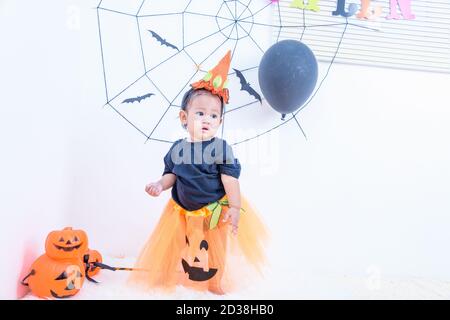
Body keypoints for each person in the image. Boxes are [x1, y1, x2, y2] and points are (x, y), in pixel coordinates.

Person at [128, 51, 268, 295]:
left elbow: (229, 179)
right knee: (179, 245)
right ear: (184, 117)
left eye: (214, 115)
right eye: (200, 113)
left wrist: (234, 207)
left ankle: (215, 281)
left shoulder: (220, 148)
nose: (207, 119)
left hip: (214, 210)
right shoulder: (177, 149)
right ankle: (175, 275)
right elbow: (172, 175)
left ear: (220, 120)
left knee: (214, 248)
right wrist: (160, 184)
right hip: (181, 211)